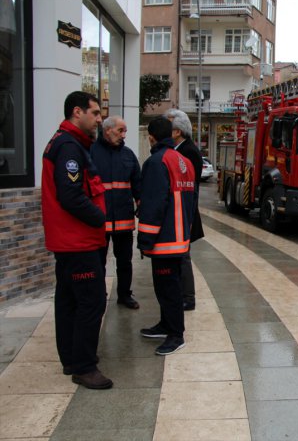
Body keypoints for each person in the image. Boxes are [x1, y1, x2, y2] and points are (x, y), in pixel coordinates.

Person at [41, 91, 113, 389]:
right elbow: (70, 196)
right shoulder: (69, 147)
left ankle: (71, 358)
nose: (99, 119)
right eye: (95, 113)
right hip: (78, 241)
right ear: (76, 112)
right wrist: (100, 220)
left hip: (70, 241)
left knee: (69, 300)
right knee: (91, 301)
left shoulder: (67, 143)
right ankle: (83, 367)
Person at [137, 116, 196, 355]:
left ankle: (175, 334)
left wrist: (145, 240)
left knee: (167, 290)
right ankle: (166, 325)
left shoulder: (156, 162)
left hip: (164, 240)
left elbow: (153, 205)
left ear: (151, 137)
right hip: (180, 238)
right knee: (169, 287)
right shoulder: (184, 161)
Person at [90, 116, 142, 310]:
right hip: (99, 221)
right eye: (120, 130)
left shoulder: (128, 155)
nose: (124, 135)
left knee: (125, 262)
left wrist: (141, 204)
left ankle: (124, 295)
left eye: (125, 131)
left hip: (123, 221)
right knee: (98, 262)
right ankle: (99, 295)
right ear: (107, 130)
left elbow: (138, 185)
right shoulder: (91, 153)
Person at [165, 109, 204, 311]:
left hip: (184, 214)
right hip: (181, 214)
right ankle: (183, 294)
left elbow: (191, 190)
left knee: (183, 256)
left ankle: (188, 297)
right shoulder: (181, 149)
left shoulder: (187, 151)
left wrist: (187, 218)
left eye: (168, 126)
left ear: (177, 131)